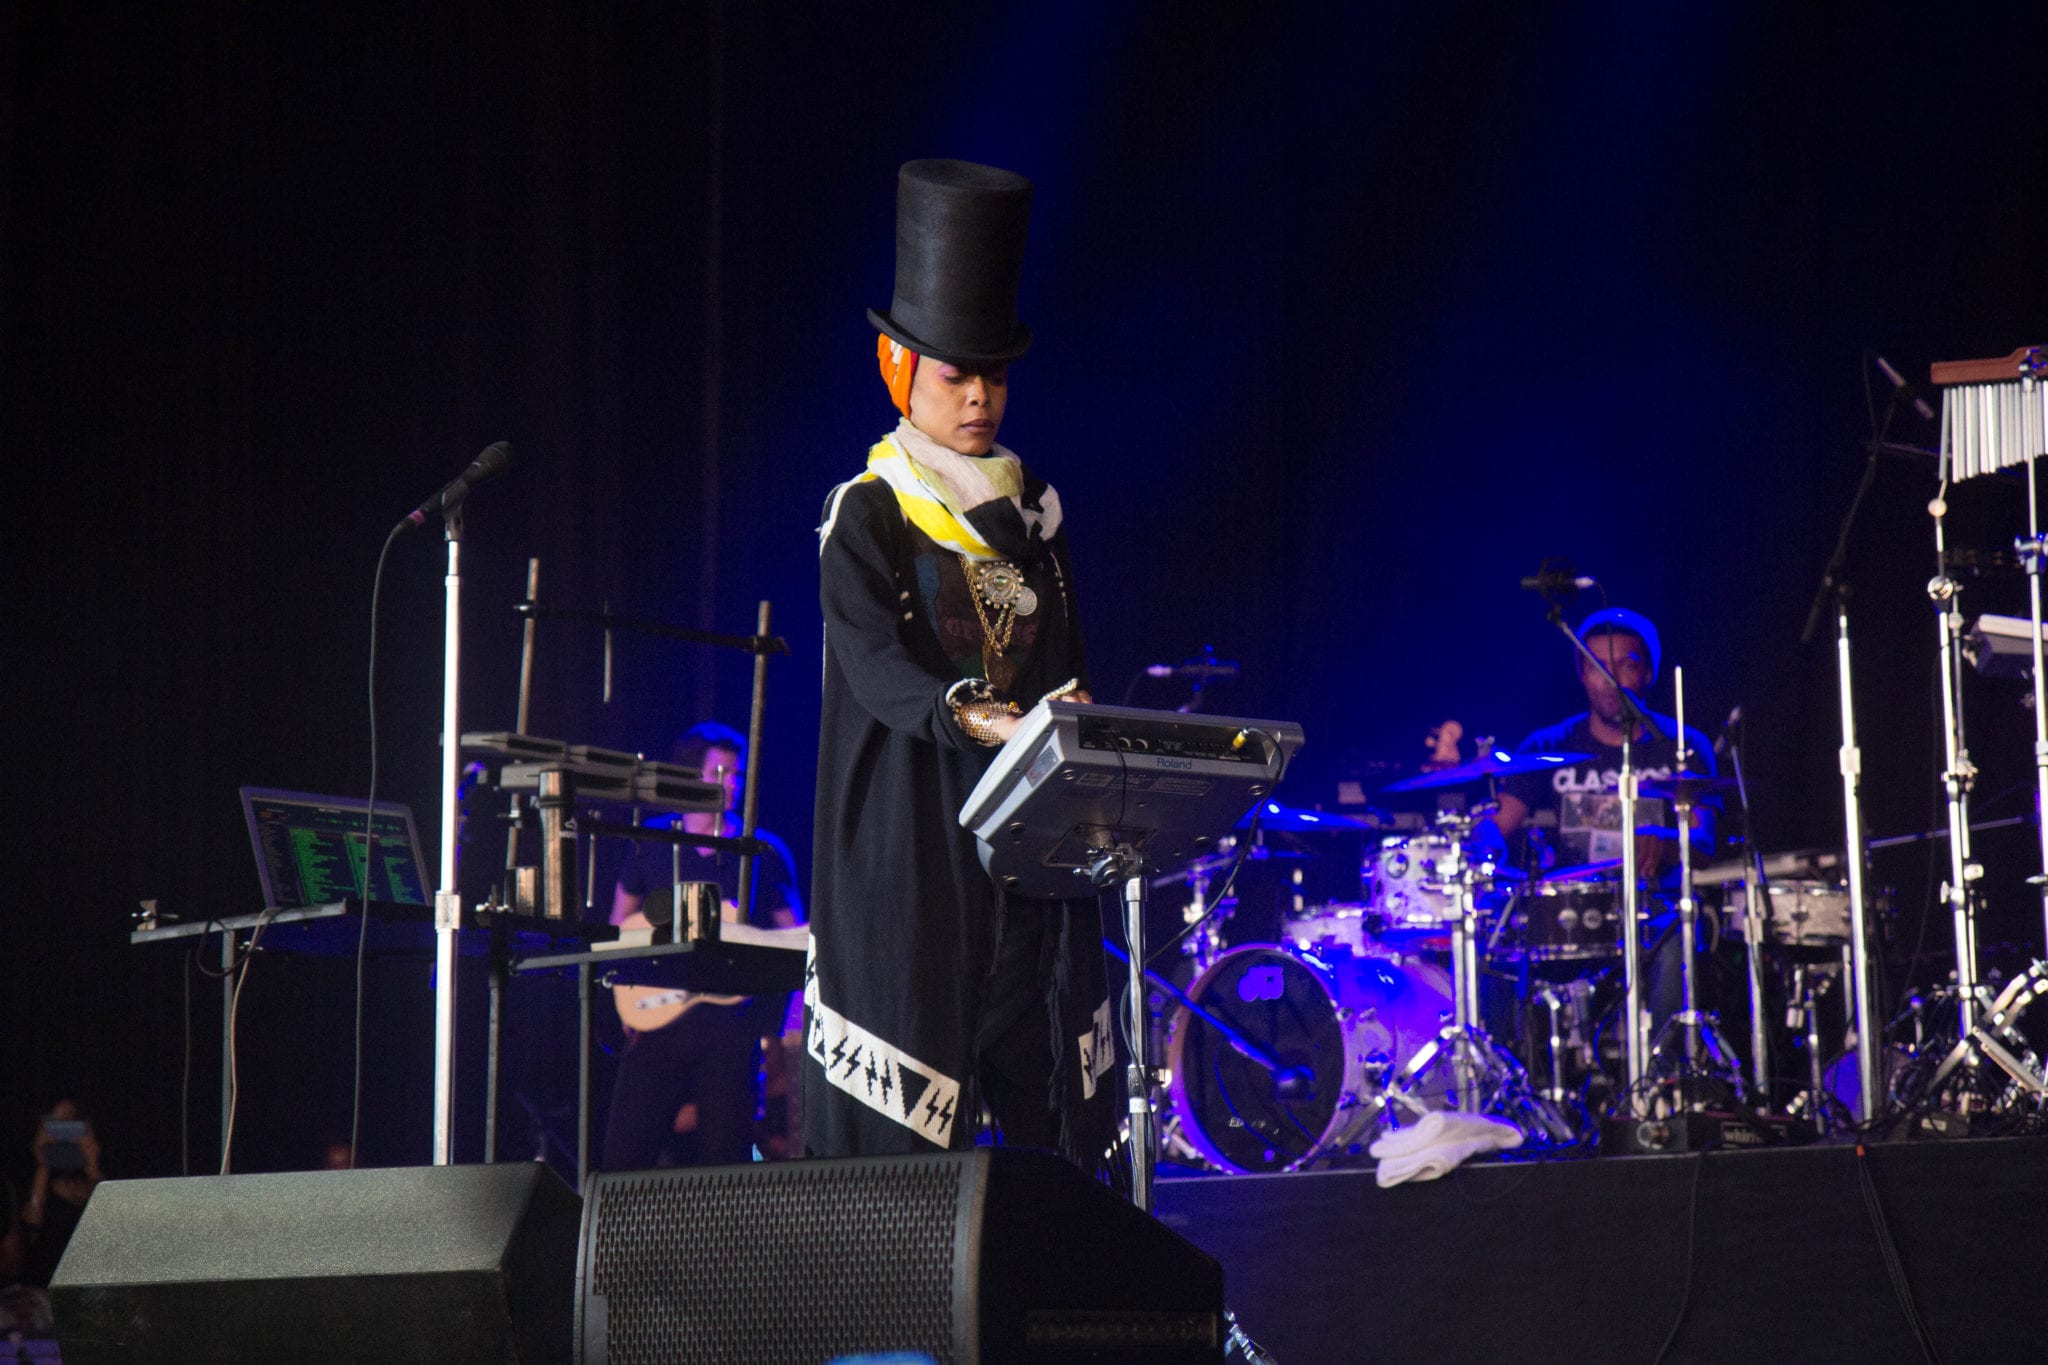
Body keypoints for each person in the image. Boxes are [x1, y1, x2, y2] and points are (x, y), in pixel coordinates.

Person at [803, 160, 1118, 1168]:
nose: (980, 396)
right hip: (911, 848)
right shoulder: (869, 513)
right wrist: (978, 714)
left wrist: (1073, 721)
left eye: (994, 376)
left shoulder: (1037, 517)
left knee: (1054, 1142)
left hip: (1027, 859)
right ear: (898, 368)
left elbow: (1064, 669)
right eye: (955, 375)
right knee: (901, 1159)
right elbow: (872, 665)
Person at [599, 721, 803, 1169]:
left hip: (731, 1028)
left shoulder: (762, 850)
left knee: (724, 1159)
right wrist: (625, 1002)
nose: (732, 785)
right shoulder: (652, 840)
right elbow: (618, 925)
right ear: (692, 777)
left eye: (738, 774)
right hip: (655, 1022)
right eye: (720, 774)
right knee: (624, 1156)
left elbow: (793, 941)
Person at [1495, 608, 1718, 878]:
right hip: (1573, 901)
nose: (1610, 680)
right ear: (1582, 674)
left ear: (1648, 673)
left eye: (1626, 666)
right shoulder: (1546, 746)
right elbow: (1496, 827)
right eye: (1596, 666)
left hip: (1659, 901)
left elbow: (1704, 845)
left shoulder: (1685, 744)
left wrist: (1664, 843)